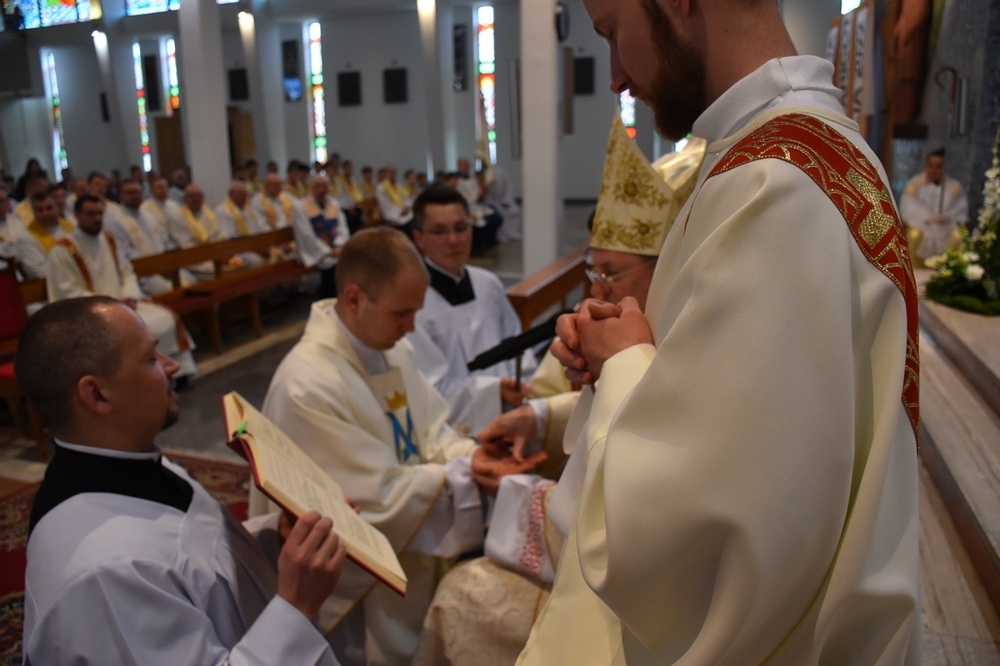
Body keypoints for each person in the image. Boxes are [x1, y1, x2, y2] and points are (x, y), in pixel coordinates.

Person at [520, 1, 921, 663]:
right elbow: (760, 439)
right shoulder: (815, 147)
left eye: (613, 32)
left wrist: (624, 364)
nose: (615, 74)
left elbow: (702, 542)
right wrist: (627, 357)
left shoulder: (773, 185)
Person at [412, 115, 705, 666]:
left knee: (459, 597)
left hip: (638, 592)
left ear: (665, 269)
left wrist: (516, 492)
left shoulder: (693, 346)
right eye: (593, 271)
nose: (596, 293)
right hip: (487, 437)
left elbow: (638, 497)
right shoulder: (640, 323)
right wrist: (539, 415)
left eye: (610, 273)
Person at [254, 227, 542, 665]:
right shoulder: (307, 386)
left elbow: (433, 432)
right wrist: (463, 475)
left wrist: (471, 456)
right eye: (401, 314)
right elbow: (369, 503)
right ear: (354, 299)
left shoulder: (391, 350)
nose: (411, 329)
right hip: (355, 601)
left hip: (413, 562)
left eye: (416, 313)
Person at [18, 295, 346, 665]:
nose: (172, 365)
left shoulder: (128, 464)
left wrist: (275, 537)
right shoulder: (106, 573)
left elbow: (193, 562)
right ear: (97, 394)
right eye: (151, 358)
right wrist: (296, 605)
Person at [406, 184, 532, 435]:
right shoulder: (412, 303)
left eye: (460, 228)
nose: (453, 240)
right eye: (439, 231)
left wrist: (522, 384)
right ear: (419, 238)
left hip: (513, 414)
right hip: (453, 434)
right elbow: (426, 388)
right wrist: (494, 392)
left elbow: (516, 345)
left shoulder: (488, 284)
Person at [46, 194, 197, 380]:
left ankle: (176, 374)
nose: (97, 218)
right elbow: (69, 292)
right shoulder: (64, 249)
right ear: (77, 215)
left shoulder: (108, 240)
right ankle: (140, 379)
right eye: (91, 214)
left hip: (122, 304)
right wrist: (111, 305)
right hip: (90, 315)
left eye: (100, 213)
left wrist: (129, 296)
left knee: (165, 318)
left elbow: (127, 273)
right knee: (130, 332)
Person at [103, 180, 176, 295]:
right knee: (170, 290)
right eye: (130, 193)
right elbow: (125, 253)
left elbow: (165, 240)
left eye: (138, 192)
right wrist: (157, 267)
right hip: (143, 275)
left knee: (190, 282)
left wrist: (169, 261)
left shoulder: (149, 215)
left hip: (165, 267)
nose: (135, 196)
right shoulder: (115, 221)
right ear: (121, 196)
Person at [900, 148, 968, 265]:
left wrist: (946, 217)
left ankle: (951, 270)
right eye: (930, 166)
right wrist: (928, 218)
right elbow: (909, 207)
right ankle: (914, 269)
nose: (934, 170)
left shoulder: (954, 187)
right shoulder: (915, 185)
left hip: (946, 226)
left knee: (958, 236)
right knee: (914, 235)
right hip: (922, 225)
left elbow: (960, 209)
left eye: (938, 166)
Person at [292, 174, 349, 300]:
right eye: (317, 186)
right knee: (331, 265)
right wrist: (328, 251)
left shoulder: (333, 204)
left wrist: (339, 245)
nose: (321, 190)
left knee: (347, 261)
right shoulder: (301, 207)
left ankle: (340, 296)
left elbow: (342, 228)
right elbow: (306, 235)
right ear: (311, 188)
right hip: (314, 251)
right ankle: (330, 297)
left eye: (324, 186)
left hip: (335, 249)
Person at [14, 188, 74, 279]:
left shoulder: (69, 225)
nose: (45, 213)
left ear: (57, 208)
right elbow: (38, 272)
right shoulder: (26, 238)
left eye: (49, 208)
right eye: (39, 210)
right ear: (33, 212)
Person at [375, 164, 413, 229]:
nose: (392, 174)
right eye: (390, 172)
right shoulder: (381, 187)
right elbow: (385, 205)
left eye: (394, 172)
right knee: (409, 222)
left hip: (404, 211)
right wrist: (401, 210)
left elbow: (406, 198)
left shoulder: (398, 186)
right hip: (392, 213)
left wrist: (407, 206)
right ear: (385, 173)